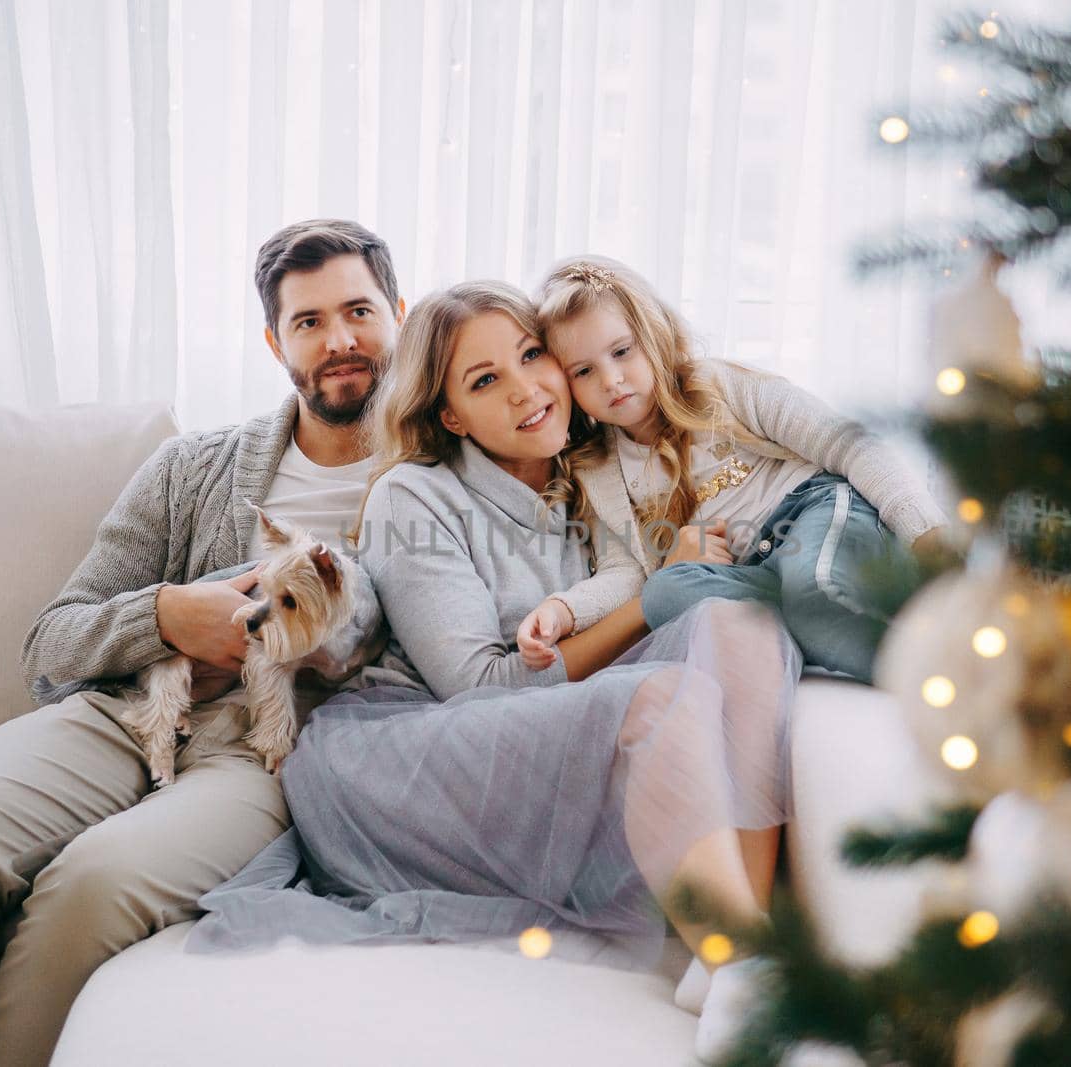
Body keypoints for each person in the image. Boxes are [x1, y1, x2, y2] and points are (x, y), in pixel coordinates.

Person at [191, 281, 802, 1059]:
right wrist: (653, 598)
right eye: (484, 381)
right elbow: (481, 688)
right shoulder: (413, 495)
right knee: (654, 696)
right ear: (450, 416)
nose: (527, 389)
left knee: (739, 619)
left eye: (532, 355)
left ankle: (748, 949)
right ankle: (740, 959)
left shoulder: (591, 474)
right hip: (414, 750)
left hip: (548, 717)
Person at [0, 219, 405, 1067]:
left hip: (268, 755)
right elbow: (49, 645)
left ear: (400, 314)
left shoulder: (440, 486)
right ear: (273, 341)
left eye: (359, 311)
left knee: (94, 884)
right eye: (308, 321)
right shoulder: (192, 468)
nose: (340, 340)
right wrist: (167, 617)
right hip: (126, 710)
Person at [515, 256, 949, 683]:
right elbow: (624, 571)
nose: (610, 380)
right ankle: (820, 626)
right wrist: (564, 610)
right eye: (584, 371)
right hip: (750, 572)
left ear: (652, 334)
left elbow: (847, 445)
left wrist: (925, 532)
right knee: (664, 593)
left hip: (812, 510)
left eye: (622, 352)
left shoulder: (717, 385)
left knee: (810, 590)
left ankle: (943, 671)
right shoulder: (600, 469)